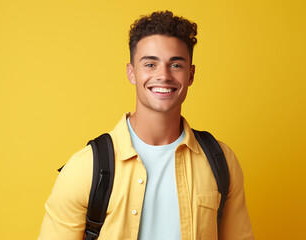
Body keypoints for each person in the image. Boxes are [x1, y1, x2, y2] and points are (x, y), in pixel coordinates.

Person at [39, 10, 254, 240]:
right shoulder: (84, 169)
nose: (163, 75)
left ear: (190, 75)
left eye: (176, 65)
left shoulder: (221, 161)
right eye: (150, 64)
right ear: (131, 73)